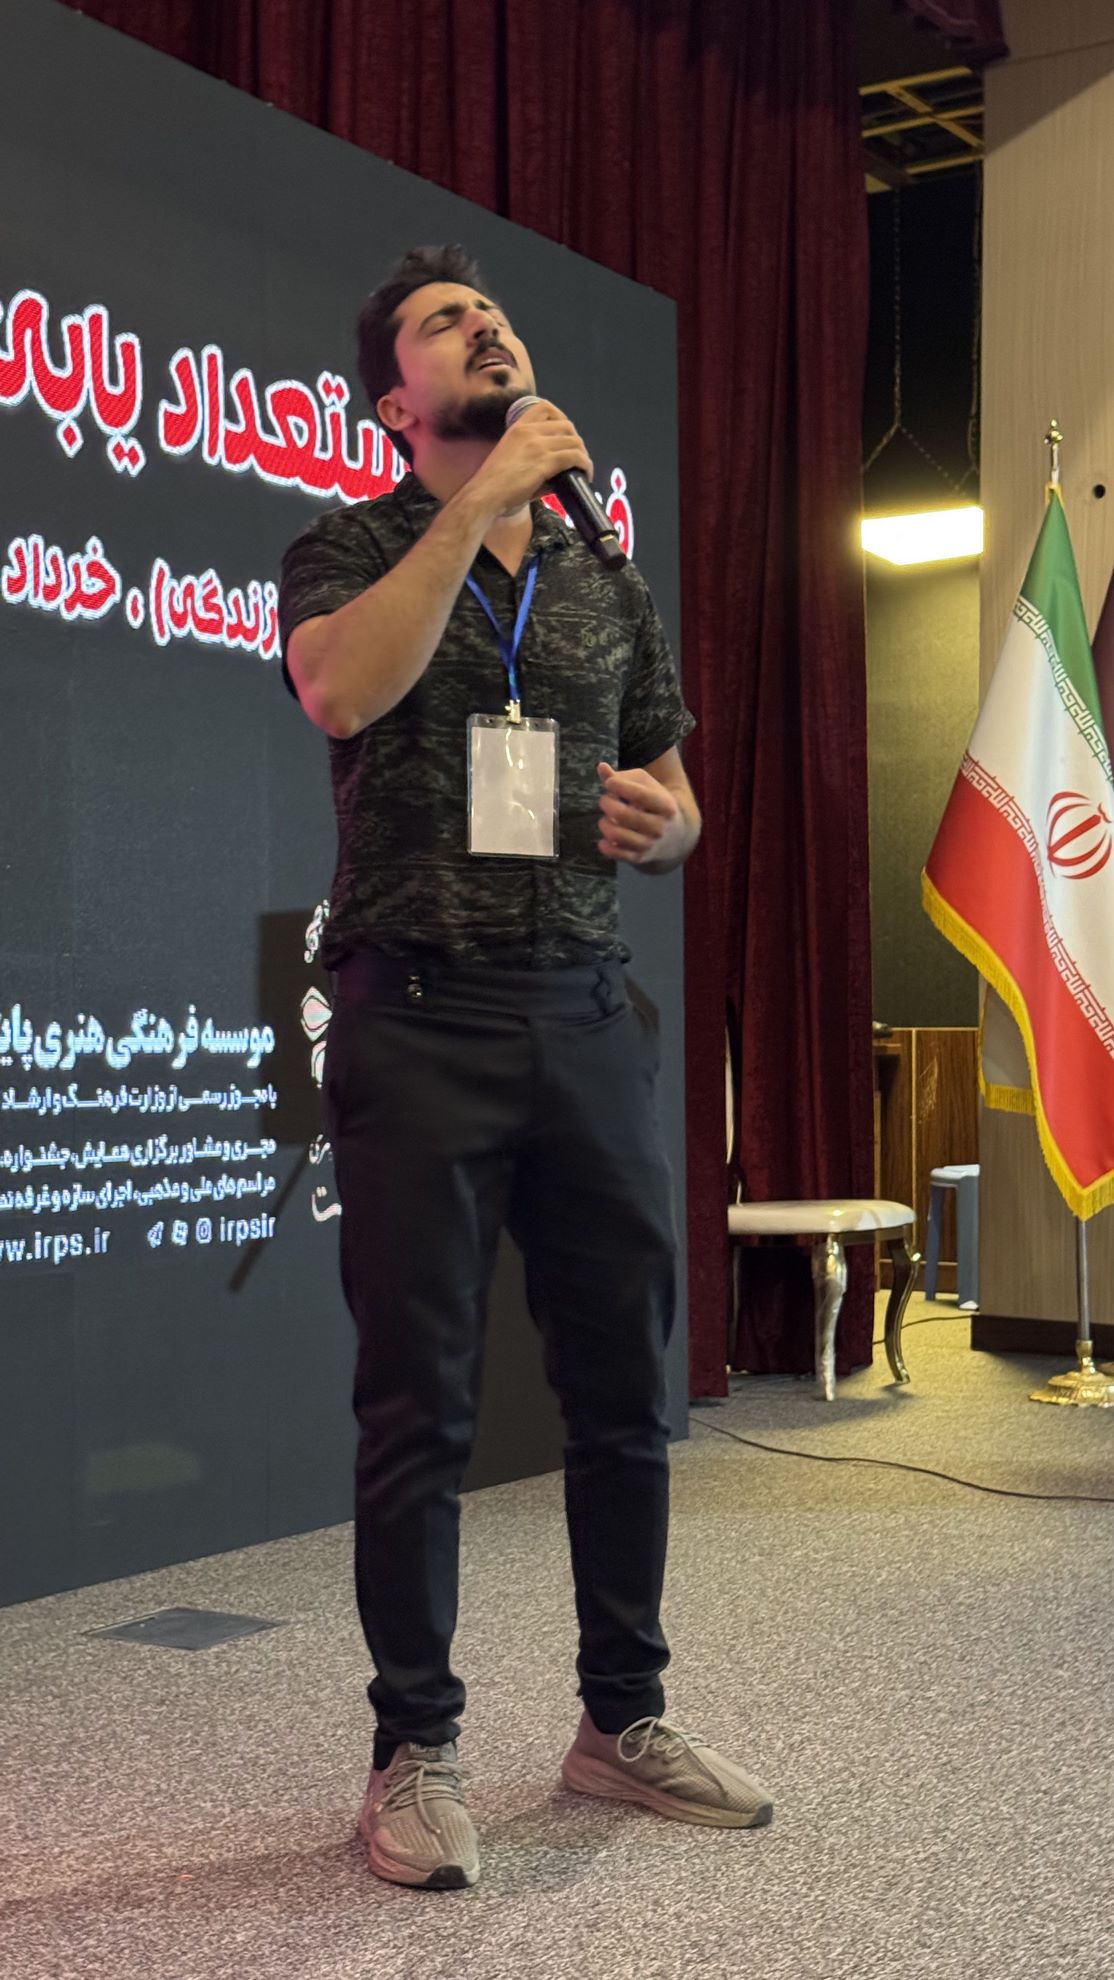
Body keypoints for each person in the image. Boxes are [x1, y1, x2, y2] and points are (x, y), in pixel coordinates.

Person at [278, 244, 773, 1892]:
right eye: (444, 323)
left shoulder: (601, 574)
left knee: (624, 1391)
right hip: (415, 1013)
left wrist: (668, 826)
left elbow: (673, 789)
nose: (484, 327)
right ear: (392, 402)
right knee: (416, 1401)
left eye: (490, 314)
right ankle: (412, 1751)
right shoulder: (350, 545)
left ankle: (620, 1719)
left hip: (580, 1011)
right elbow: (342, 688)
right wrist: (473, 506)